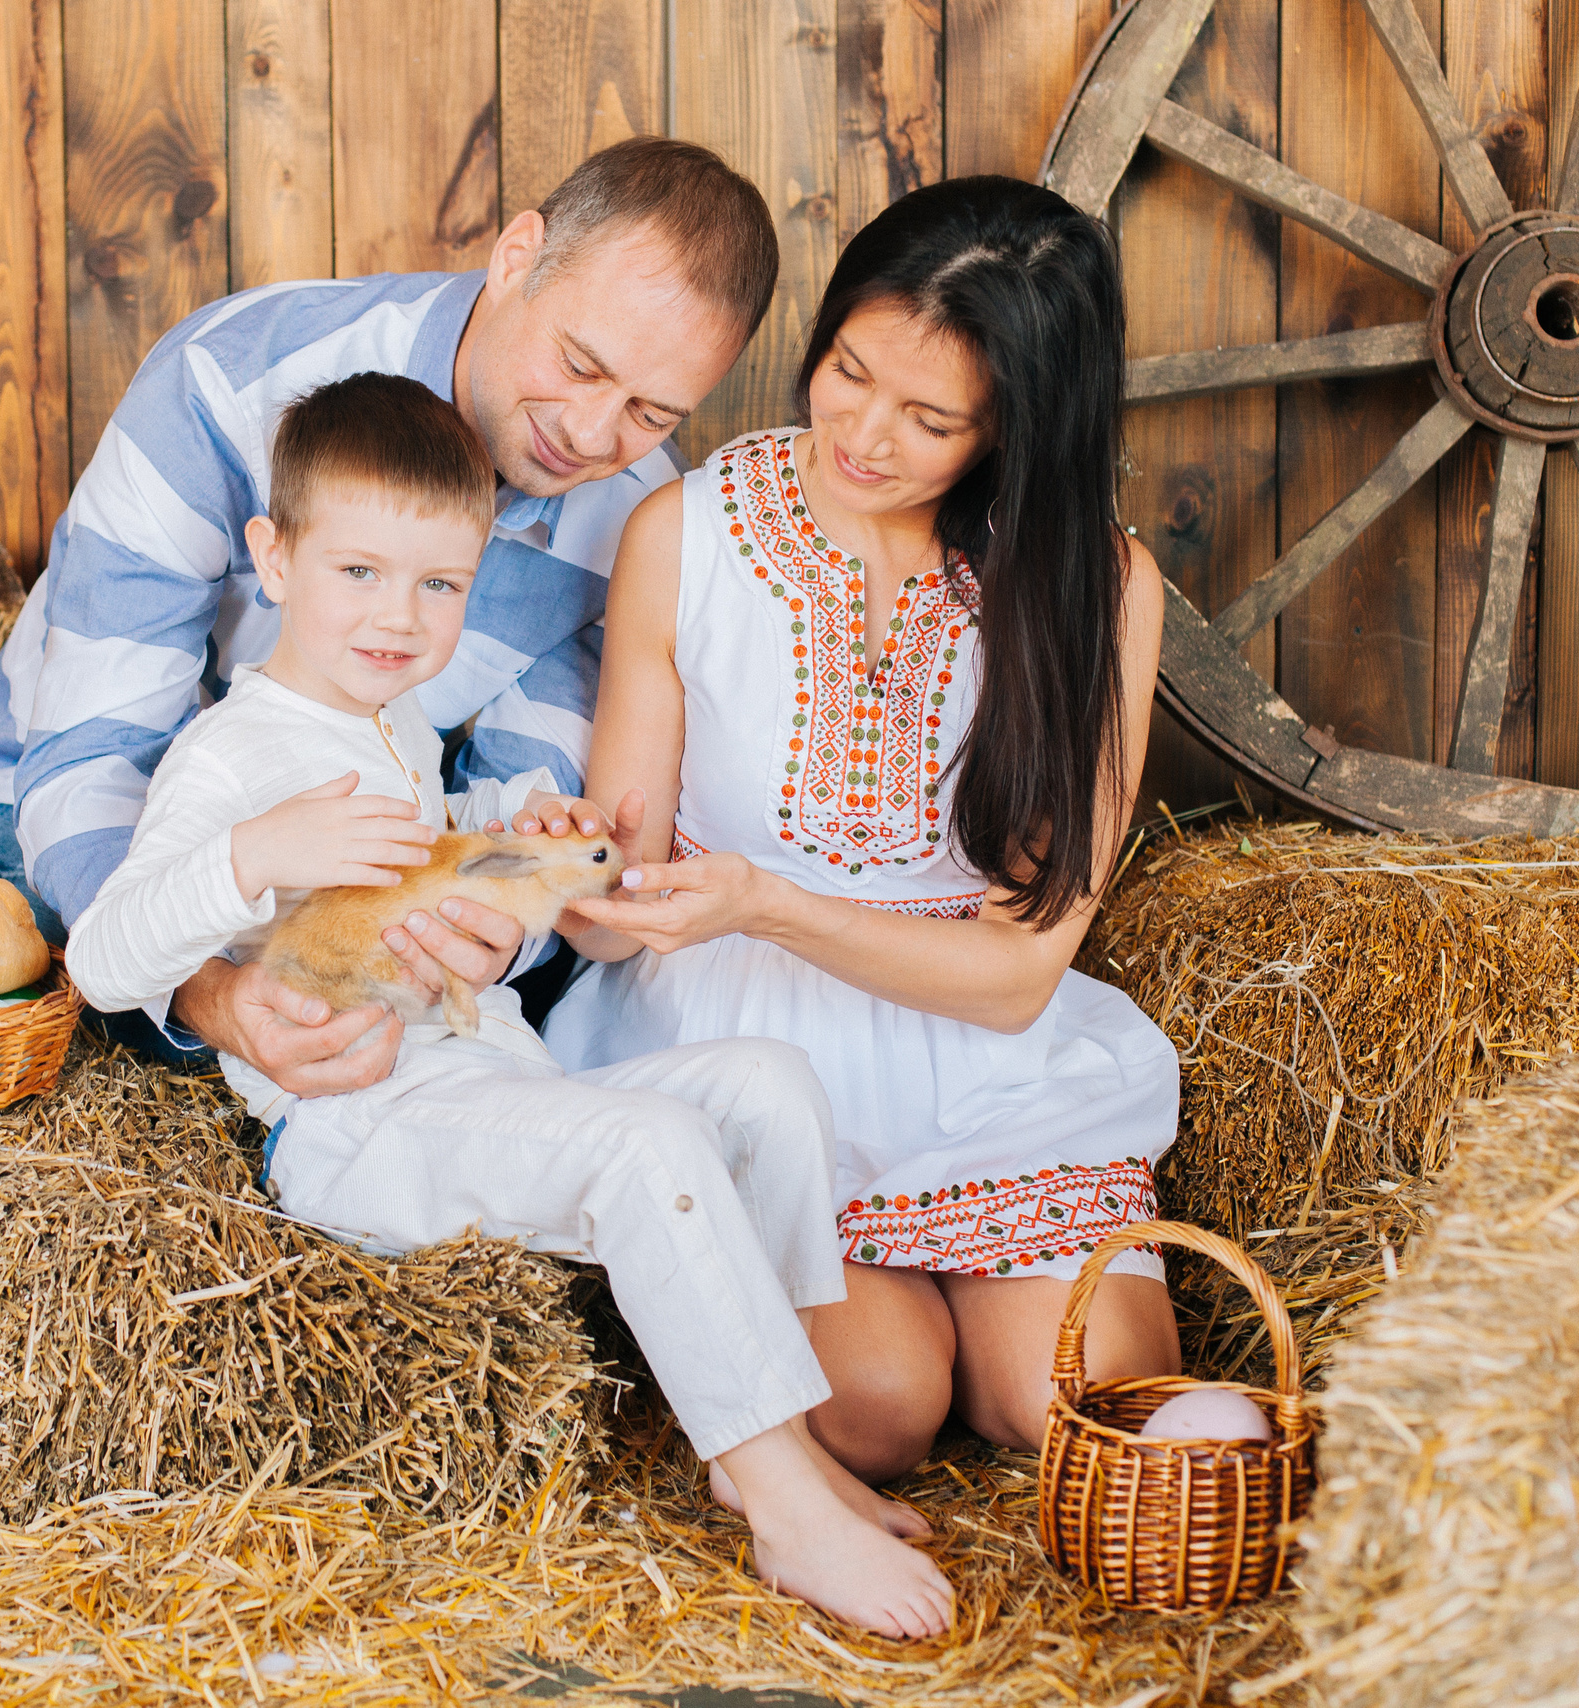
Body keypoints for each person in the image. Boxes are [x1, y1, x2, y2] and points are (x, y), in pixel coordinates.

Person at [66, 373, 956, 1639]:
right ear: (271, 557)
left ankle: (784, 1439)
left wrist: (514, 836)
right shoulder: (234, 755)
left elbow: (420, 886)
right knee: (647, 1145)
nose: (399, 616)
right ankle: (783, 1509)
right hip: (358, 1128)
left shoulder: (392, 725)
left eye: (440, 585)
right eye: (361, 572)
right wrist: (256, 852)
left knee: (766, 1081)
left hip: (488, 1088)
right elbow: (102, 957)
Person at [546, 178, 1183, 1487]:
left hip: (976, 1046)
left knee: (1077, 1402)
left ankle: (954, 1305)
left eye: (932, 417)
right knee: (886, 1406)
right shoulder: (689, 538)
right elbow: (613, 886)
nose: (866, 434)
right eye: (849, 371)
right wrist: (572, 874)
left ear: (1017, 425)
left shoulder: (1095, 588)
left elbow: (1016, 978)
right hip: (746, 1037)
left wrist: (766, 902)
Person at [0, 138, 778, 1091]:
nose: (593, 436)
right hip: (104, 843)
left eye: (653, 413)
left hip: (365, 871)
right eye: (579, 364)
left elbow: (507, 806)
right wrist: (215, 998)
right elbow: (92, 758)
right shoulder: (227, 379)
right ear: (517, 255)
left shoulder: (639, 521)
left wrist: (494, 939)